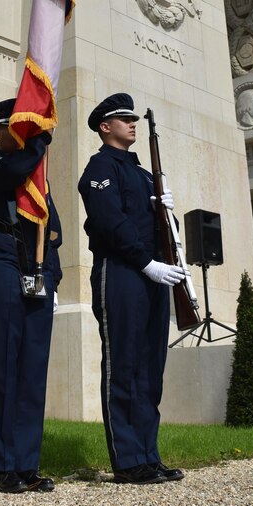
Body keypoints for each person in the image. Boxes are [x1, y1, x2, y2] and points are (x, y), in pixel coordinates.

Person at [78, 93, 184, 485]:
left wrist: (166, 209)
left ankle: (148, 455)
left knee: (149, 369)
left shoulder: (141, 173)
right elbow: (109, 221)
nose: (132, 123)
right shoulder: (100, 168)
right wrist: (146, 263)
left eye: (133, 118)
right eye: (124, 119)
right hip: (122, 271)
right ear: (106, 127)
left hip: (152, 273)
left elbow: (157, 228)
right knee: (123, 365)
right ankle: (127, 460)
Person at [0, 98, 61, 494]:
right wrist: (39, 142)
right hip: (1, 260)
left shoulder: (35, 177)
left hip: (36, 270)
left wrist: (52, 279)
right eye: (15, 128)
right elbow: (12, 172)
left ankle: (26, 463)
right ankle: (2, 463)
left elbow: (52, 230)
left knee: (32, 370)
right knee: (5, 364)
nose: (23, 134)